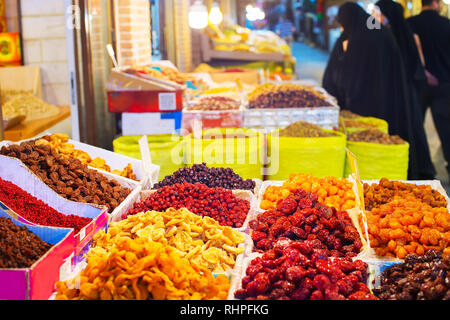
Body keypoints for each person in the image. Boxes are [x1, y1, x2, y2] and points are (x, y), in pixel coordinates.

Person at [322, 2, 421, 179]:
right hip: (387, 95)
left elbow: (345, 74)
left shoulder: (356, 39)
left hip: (362, 100)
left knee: (367, 137)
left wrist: (341, 95)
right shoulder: (382, 33)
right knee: (382, 135)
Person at [374, 0, 436, 179]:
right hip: (405, 94)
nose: (377, 18)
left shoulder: (389, 36)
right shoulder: (403, 34)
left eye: (379, 14)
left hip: (400, 94)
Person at [407, 0, 450, 180]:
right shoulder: (447, 25)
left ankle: (417, 168)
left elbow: (408, 56)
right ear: (435, 3)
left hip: (419, 85)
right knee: (447, 131)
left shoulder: (410, 24)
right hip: (444, 86)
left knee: (416, 127)